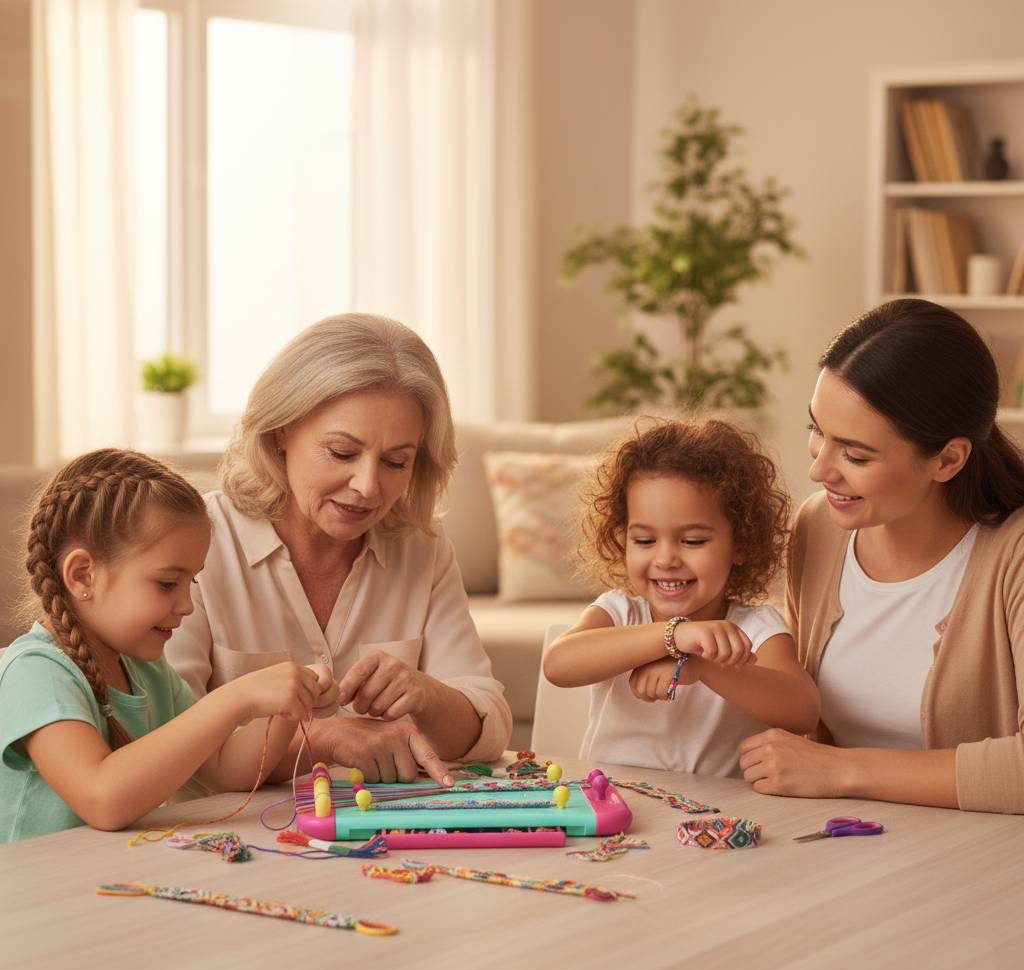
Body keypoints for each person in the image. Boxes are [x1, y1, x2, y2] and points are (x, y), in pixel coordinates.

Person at [165, 313, 512, 785]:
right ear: (281, 431)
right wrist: (323, 739)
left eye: (396, 461)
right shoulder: (199, 541)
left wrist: (428, 696)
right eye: (343, 453)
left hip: (381, 841)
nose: (368, 487)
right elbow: (167, 741)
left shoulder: (421, 547)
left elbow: (488, 725)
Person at [739, 298, 1024, 813]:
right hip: (846, 843)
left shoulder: (1013, 554)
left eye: (855, 454)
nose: (820, 470)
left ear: (948, 459)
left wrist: (842, 770)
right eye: (816, 432)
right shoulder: (820, 528)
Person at [0, 449, 338, 842]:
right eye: (166, 584)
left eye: (191, 582)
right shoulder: (36, 672)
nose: (186, 606)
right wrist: (235, 698)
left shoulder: (145, 670)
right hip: (39, 897)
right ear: (82, 575)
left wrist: (286, 709)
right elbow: (102, 798)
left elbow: (226, 769)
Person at [543, 418, 818, 775]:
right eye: (644, 540)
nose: (665, 559)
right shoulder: (620, 611)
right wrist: (673, 635)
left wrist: (700, 665)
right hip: (616, 808)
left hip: (715, 820)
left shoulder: (756, 627)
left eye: (693, 541)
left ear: (741, 543)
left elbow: (802, 711)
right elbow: (558, 664)